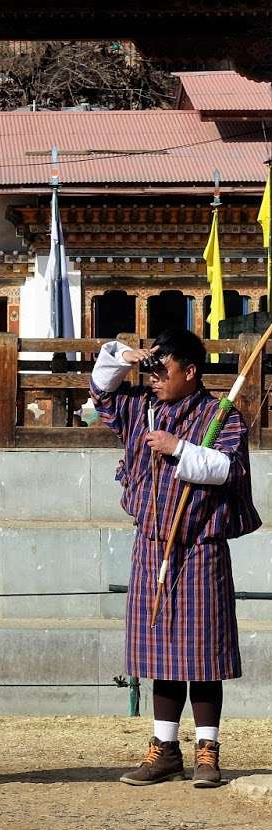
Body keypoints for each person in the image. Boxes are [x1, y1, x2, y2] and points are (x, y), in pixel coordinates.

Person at [90, 328, 259, 789]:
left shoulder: (220, 415)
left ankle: (207, 751)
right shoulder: (138, 408)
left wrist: (178, 447)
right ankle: (164, 750)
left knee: (202, 654)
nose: (154, 379)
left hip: (200, 546)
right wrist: (122, 356)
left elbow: (229, 469)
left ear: (190, 371)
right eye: (151, 371)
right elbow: (100, 389)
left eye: (163, 371)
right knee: (161, 651)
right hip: (152, 544)